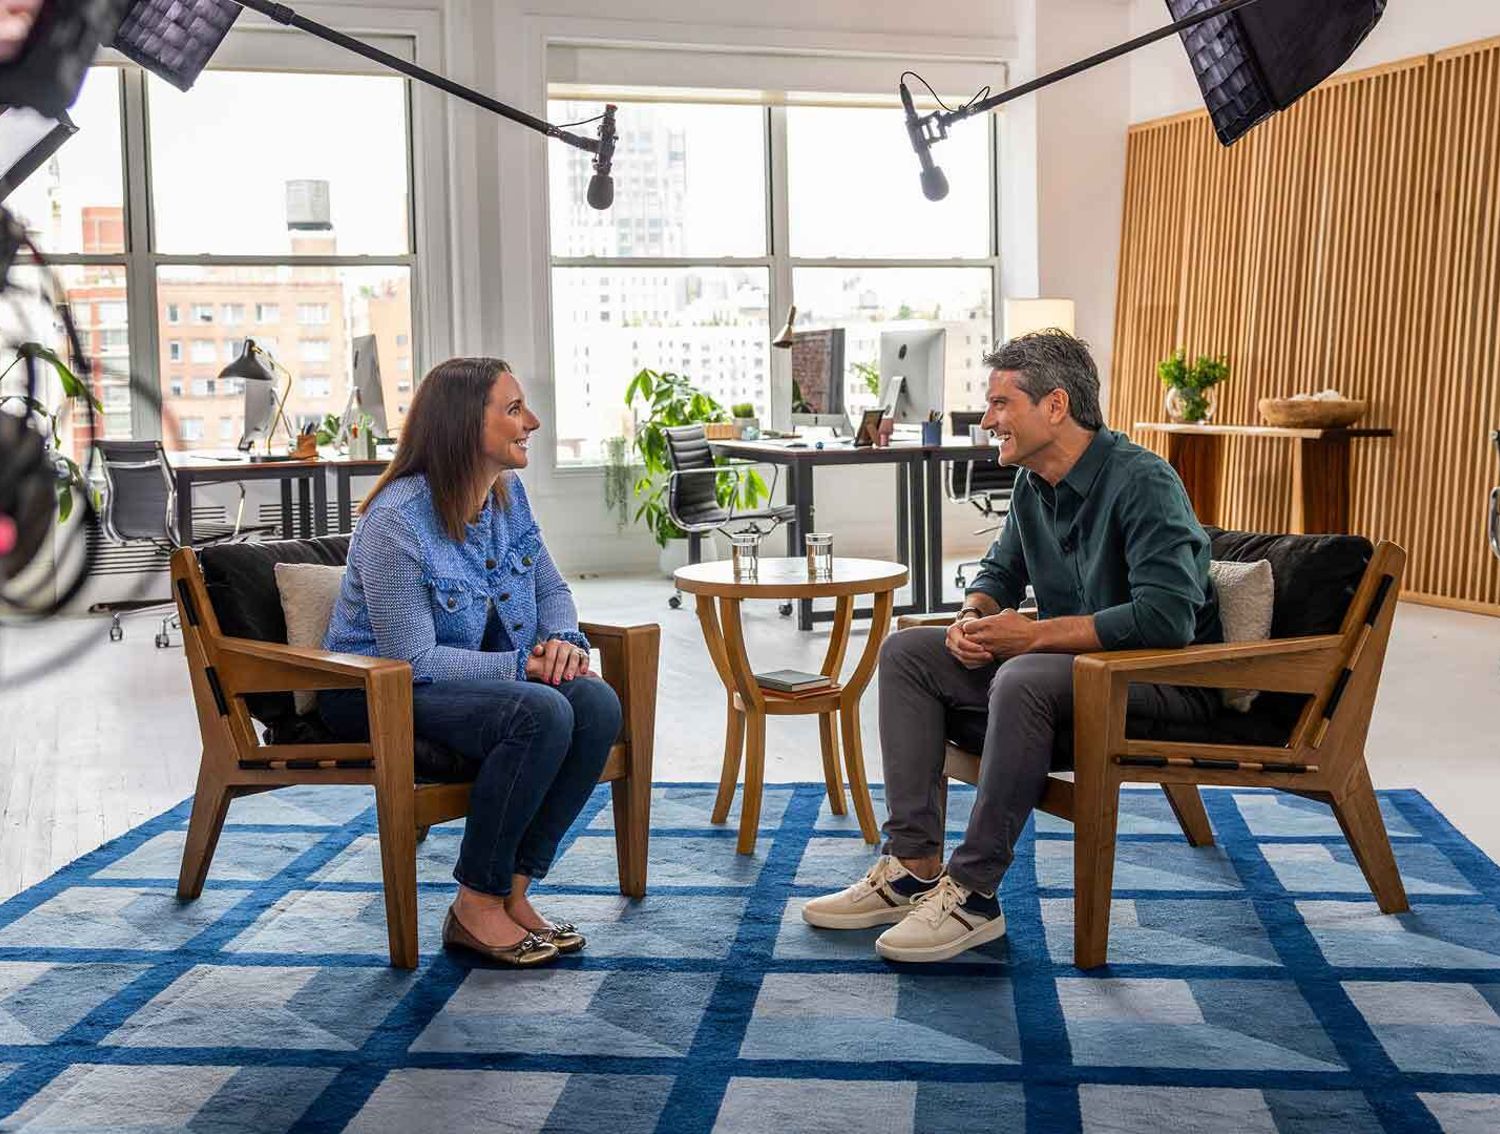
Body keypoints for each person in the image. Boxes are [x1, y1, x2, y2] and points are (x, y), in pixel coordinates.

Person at [804, 330, 1222, 963]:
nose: (989, 418)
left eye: (1001, 403)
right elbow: (1000, 574)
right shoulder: (1033, 485)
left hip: (1155, 682)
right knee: (908, 653)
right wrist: (972, 616)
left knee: (1023, 675)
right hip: (1067, 678)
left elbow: (1166, 619)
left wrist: (1031, 636)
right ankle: (912, 863)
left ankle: (974, 895)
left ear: (1055, 405)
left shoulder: (1144, 481)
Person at [319, 357, 621, 968]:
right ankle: (474, 904)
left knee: (593, 701)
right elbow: (413, 658)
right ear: (463, 426)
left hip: (458, 681)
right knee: (539, 710)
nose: (531, 422)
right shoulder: (396, 521)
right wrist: (523, 668)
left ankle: (513, 893)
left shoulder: (507, 499)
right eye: (513, 410)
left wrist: (562, 640)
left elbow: (550, 588)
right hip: (377, 688)